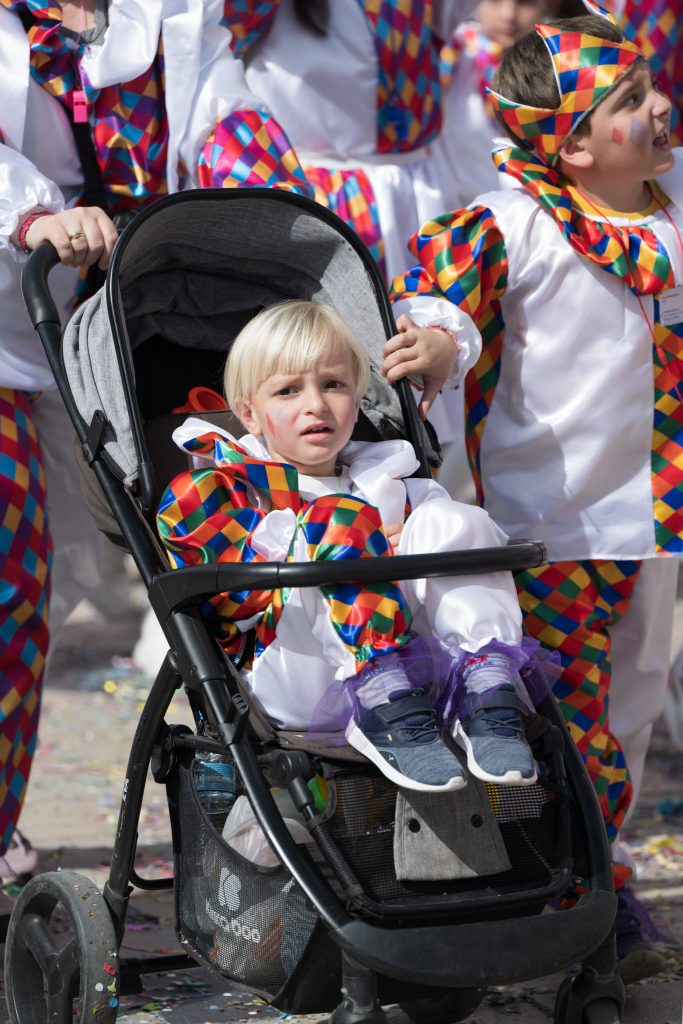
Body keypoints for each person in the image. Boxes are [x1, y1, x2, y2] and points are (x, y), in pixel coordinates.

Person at [383, 4, 680, 981]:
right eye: (629, 100)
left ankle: (595, 867)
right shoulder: (513, 223)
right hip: (555, 524)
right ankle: (581, 887)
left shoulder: (673, 218)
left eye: (648, 87)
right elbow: (441, 293)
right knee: (573, 711)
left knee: (633, 703)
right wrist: (434, 340)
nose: (659, 106)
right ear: (575, 144)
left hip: (660, 522)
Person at [156, 300, 543, 793]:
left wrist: (409, 540)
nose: (315, 404)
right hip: (295, 673)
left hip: (418, 669)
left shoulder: (388, 478)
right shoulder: (224, 490)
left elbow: (452, 556)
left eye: (333, 385)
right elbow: (226, 605)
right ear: (249, 415)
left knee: (454, 519)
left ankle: (484, 689)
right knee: (340, 521)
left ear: (358, 399)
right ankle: (377, 695)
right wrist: (333, 538)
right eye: (289, 390)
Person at [438, 0, 547, 207]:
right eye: (495, 1)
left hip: (528, 210)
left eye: (526, 3)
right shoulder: (451, 56)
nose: (509, 15)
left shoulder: (563, 66)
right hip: (454, 207)